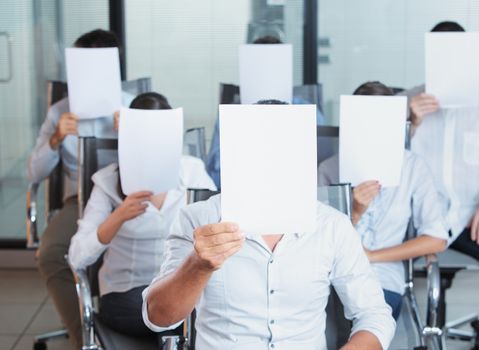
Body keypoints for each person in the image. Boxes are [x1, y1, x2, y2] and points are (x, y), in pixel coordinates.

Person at [142, 100, 396, 350]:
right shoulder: (196, 219)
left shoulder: (332, 226)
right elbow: (159, 319)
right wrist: (197, 265)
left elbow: (375, 314)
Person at [405, 21, 479, 350]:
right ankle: (410, 334)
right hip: (418, 218)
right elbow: (386, 165)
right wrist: (409, 124)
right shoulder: (409, 102)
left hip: (470, 217)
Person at [68, 92, 216, 338]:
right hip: (127, 294)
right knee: (173, 318)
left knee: (204, 314)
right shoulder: (106, 182)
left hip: (183, 287)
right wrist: (118, 217)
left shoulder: (192, 171)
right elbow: (77, 258)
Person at [28, 29, 134, 348]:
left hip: (123, 198)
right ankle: (84, 336)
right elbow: (35, 171)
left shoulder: (132, 107)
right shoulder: (60, 111)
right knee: (50, 255)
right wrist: (56, 139)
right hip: (81, 200)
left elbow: (158, 164)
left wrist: (131, 133)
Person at [318, 81, 448, 319]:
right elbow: (315, 240)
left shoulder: (413, 167)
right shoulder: (328, 169)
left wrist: (373, 256)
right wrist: (354, 212)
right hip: (328, 273)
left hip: (382, 275)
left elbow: (436, 239)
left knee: (369, 321)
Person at [205, 35, 328, 188]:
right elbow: (215, 175)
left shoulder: (309, 113)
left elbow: (322, 168)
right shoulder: (230, 115)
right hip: (244, 188)